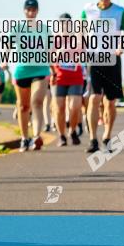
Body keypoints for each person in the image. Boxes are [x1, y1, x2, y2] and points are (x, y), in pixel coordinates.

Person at [82, 0, 124, 154]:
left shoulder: (119, 11)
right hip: (94, 58)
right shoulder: (88, 10)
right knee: (94, 98)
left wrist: (121, 47)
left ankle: (107, 136)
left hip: (112, 58)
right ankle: (93, 139)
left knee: (110, 101)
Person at [12, 0, 51, 152]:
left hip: (41, 69)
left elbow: (51, 48)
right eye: (28, 10)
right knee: (23, 106)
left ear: (37, 11)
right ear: (24, 11)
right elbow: (8, 44)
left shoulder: (44, 29)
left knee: (37, 101)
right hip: (22, 70)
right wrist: (3, 59)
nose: (31, 12)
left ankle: (36, 136)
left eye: (34, 10)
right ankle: (24, 138)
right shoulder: (17, 28)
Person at [50, 12, 84, 146]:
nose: (65, 26)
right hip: (59, 77)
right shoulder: (54, 39)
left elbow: (83, 51)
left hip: (75, 77)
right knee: (59, 108)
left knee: (74, 107)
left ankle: (73, 130)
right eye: (62, 24)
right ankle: (62, 135)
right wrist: (52, 72)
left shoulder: (77, 38)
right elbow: (49, 58)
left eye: (67, 23)